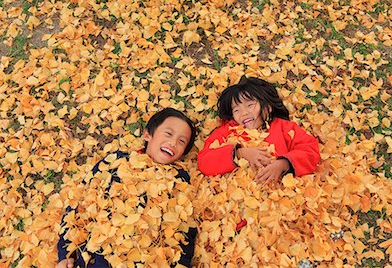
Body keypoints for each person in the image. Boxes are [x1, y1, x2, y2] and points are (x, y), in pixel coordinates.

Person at [57, 108, 197, 268]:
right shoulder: (115, 161)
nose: (173, 142)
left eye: (181, 141)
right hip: (97, 256)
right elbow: (80, 202)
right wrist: (65, 254)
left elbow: (184, 231)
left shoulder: (179, 179)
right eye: (168, 133)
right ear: (147, 135)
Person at [198, 76, 320, 183]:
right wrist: (240, 154)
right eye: (236, 110)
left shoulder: (284, 128)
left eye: (250, 105)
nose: (244, 113)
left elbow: (310, 149)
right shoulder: (227, 131)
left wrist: (284, 164)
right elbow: (204, 161)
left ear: (267, 108)